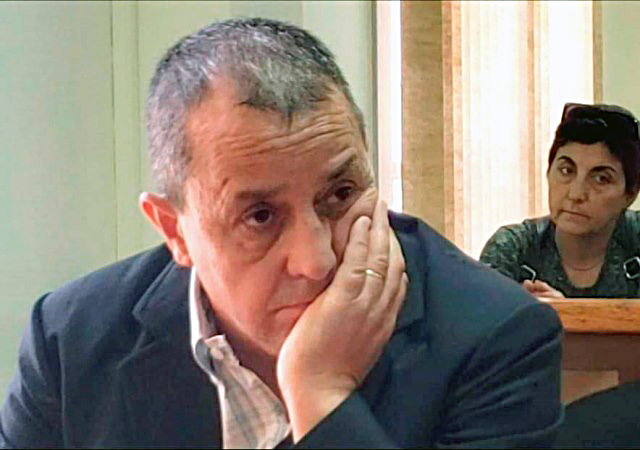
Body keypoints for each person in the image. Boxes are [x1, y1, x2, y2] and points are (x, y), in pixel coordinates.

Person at [0, 18, 563, 448]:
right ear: (175, 231)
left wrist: (321, 394)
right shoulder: (71, 343)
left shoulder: (495, 336)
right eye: (261, 217)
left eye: (340, 195)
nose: (316, 260)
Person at [481, 103, 640, 299]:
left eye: (601, 179)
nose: (576, 194)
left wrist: (565, 313)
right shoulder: (514, 249)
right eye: (566, 171)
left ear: (630, 194)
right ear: (548, 172)